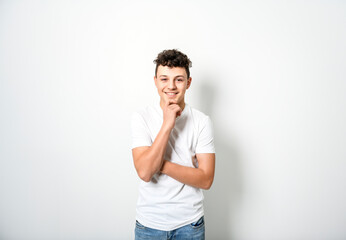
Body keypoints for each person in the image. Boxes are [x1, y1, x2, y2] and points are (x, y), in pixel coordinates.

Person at [131, 49, 216, 240]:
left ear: (188, 82)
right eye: (164, 79)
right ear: (155, 82)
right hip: (149, 224)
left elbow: (206, 179)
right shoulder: (141, 118)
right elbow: (145, 173)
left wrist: (157, 164)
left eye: (178, 79)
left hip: (190, 225)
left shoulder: (202, 122)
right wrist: (168, 123)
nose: (171, 86)